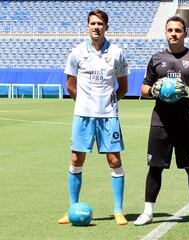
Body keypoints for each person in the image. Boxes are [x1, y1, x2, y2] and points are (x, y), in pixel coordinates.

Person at [134, 16, 189, 228]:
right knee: (155, 167)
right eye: (170, 30)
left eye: (178, 30)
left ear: (185, 33)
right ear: (166, 32)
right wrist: (152, 91)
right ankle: (148, 212)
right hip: (160, 121)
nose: (173, 34)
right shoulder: (156, 59)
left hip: (187, 122)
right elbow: (143, 88)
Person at [58, 9, 128, 225]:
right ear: (87, 26)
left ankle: (118, 210)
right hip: (83, 116)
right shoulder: (77, 53)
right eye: (92, 23)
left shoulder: (117, 53)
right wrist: (84, 103)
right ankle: (72, 209)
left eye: (100, 24)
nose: (96, 27)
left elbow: (123, 87)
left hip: (108, 116)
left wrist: (107, 103)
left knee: (114, 160)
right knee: (76, 159)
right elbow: (70, 86)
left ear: (106, 27)